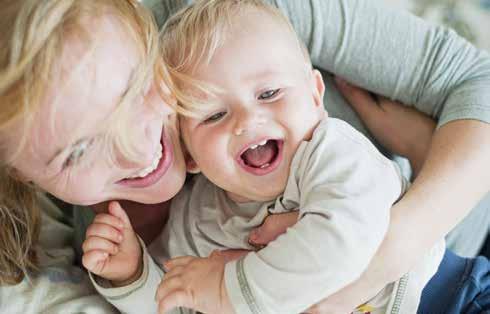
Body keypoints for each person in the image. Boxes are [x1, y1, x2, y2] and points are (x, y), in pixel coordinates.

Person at [0, 0, 489, 312]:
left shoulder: (239, 25)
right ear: (21, 177)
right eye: (78, 152)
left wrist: (397, 239)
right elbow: (180, 299)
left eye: (132, 90)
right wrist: (133, 278)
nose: (136, 151)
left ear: (146, 36)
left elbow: (475, 82)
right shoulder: (140, 232)